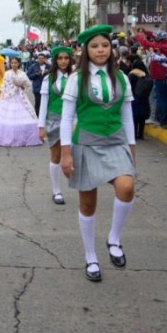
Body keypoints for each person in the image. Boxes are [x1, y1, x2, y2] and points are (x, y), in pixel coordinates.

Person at [60, 25, 136, 283]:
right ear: (85, 51)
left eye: (105, 45)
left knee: (126, 187)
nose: (101, 50)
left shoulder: (122, 77)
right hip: (85, 143)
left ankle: (114, 238)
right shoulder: (75, 79)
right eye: (94, 46)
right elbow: (67, 116)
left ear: (111, 49)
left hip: (116, 141)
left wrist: (131, 147)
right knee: (88, 203)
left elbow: (127, 114)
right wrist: (65, 152)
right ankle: (91, 256)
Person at [38, 46, 74, 205]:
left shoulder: (76, 77)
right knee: (56, 156)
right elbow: (43, 103)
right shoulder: (48, 79)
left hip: (75, 121)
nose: (63, 61)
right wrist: (41, 126)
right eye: (60, 58)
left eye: (66, 58)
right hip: (53, 121)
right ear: (55, 60)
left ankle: (82, 187)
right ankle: (56, 190)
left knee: (78, 155)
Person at [0, 56, 41, 147]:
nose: (14, 64)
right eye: (12, 63)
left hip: (20, 97)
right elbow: (4, 85)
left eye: (15, 63)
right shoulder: (7, 73)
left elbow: (28, 86)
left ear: (19, 64)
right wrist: (3, 93)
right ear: (10, 64)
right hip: (8, 97)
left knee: (27, 119)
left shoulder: (22, 74)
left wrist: (20, 86)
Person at [127, 55, 153, 140]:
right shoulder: (146, 75)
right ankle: (140, 134)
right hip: (144, 98)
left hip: (134, 97)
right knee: (142, 117)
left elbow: (129, 86)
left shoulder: (132, 74)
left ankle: (134, 135)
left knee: (134, 117)